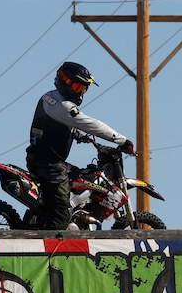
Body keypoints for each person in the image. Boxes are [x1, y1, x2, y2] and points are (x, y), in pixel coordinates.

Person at [26, 61, 135, 230]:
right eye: (77, 87)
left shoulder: (49, 96)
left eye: (83, 89)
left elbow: (52, 124)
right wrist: (122, 140)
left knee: (79, 177)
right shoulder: (65, 107)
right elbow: (92, 124)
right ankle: (52, 245)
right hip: (50, 166)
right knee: (62, 214)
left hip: (41, 158)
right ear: (65, 82)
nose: (80, 92)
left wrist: (76, 134)